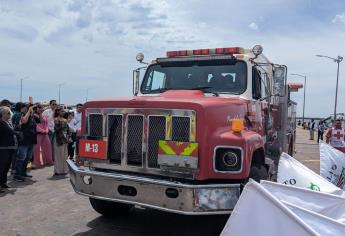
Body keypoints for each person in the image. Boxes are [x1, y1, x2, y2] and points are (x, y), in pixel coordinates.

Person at [12, 103, 38, 182]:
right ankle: (17, 175)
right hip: (23, 140)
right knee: (21, 158)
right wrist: (28, 112)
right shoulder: (19, 115)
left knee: (28, 158)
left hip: (31, 139)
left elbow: (38, 121)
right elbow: (23, 121)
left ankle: (23, 173)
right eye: (27, 107)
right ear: (22, 108)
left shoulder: (31, 115)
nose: (29, 109)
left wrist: (31, 112)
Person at [0, 106, 17, 192]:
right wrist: (17, 133)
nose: (10, 115)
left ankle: (3, 183)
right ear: (3, 114)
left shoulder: (8, 122)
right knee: (2, 167)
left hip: (10, 147)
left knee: (6, 167)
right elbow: (10, 132)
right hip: (3, 148)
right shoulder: (1, 123)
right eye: (8, 113)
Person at [33, 104, 53, 168]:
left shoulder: (43, 115)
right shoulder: (33, 116)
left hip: (45, 133)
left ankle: (48, 161)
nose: (40, 109)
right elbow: (35, 125)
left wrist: (46, 130)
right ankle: (37, 163)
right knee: (36, 149)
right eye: (38, 108)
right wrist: (42, 130)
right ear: (35, 109)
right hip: (37, 134)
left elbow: (45, 123)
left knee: (48, 146)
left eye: (41, 108)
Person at [53, 107, 71, 175]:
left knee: (65, 155)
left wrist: (69, 137)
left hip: (64, 138)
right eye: (62, 111)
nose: (63, 112)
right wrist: (65, 123)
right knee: (58, 155)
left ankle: (65, 170)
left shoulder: (65, 120)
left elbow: (68, 130)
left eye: (63, 111)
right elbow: (57, 129)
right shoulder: (56, 119)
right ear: (58, 112)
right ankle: (58, 171)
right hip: (58, 138)